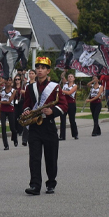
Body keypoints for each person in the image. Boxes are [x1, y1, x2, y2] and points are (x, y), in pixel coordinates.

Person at [22, 57, 67, 195]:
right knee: (34, 157)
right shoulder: (30, 87)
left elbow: (64, 105)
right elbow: (27, 104)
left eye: (43, 68)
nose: (40, 70)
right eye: (38, 68)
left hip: (49, 125)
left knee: (51, 157)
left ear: (48, 71)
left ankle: (51, 183)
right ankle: (35, 185)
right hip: (35, 126)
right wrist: (27, 111)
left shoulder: (55, 87)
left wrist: (52, 111)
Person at [0, 77, 17, 150]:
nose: (8, 82)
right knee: (3, 127)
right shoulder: (2, 90)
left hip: (10, 109)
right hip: (3, 110)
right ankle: (6, 145)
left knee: (12, 127)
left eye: (9, 80)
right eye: (7, 80)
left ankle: (15, 138)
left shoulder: (13, 91)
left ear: (11, 82)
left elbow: (8, 102)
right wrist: (2, 82)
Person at [59, 72, 78, 140]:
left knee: (72, 120)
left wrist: (61, 91)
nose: (70, 77)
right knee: (63, 119)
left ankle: (75, 134)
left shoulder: (75, 86)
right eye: (69, 76)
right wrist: (64, 70)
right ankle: (62, 136)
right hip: (64, 103)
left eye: (71, 76)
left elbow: (69, 92)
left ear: (74, 78)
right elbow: (62, 76)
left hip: (71, 103)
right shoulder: (65, 84)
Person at [21, 69, 37, 146]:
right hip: (27, 103)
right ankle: (24, 139)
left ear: (35, 75)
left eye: (32, 73)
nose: (31, 75)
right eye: (30, 73)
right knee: (26, 121)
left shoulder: (36, 84)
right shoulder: (26, 84)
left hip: (34, 104)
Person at [13, 73, 27, 145]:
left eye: (18, 79)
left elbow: (27, 94)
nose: (17, 81)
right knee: (15, 116)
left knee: (21, 116)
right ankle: (16, 129)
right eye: (16, 79)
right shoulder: (13, 87)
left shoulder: (23, 87)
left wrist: (23, 92)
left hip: (21, 102)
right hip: (15, 103)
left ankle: (21, 130)